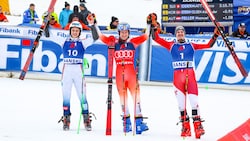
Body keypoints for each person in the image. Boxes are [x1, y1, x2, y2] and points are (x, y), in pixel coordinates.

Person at [151, 19, 220, 138]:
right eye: (178, 32)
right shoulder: (171, 45)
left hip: (190, 77)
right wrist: (154, 27)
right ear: (175, 35)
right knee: (181, 106)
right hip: (178, 78)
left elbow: (208, 45)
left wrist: (216, 35)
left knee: (194, 102)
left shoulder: (191, 45)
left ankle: (198, 127)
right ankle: (185, 127)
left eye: (182, 32)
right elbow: (156, 38)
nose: (180, 34)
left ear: (185, 34)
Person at [92, 13, 151, 134]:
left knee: (136, 97)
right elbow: (101, 37)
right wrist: (95, 24)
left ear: (128, 33)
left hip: (131, 73)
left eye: (126, 32)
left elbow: (146, 36)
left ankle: (139, 123)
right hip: (119, 74)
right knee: (123, 98)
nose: (124, 34)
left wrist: (149, 24)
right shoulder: (113, 43)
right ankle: (127, 123)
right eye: (122, 32)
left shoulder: (133, 42)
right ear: (118, 33)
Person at [57, 17, 99, 131]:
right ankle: (66, 118)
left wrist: (92, 24)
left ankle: (86, 118)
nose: (75, 32)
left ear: (79, 32)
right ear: (70, 30)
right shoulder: (64, 40)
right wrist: (45, 22)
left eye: (77, 30)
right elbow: (47, 34)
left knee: (82, 96)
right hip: (67, 72)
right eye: (73, 30)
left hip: (78, 71)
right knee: (66, 95)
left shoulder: (83, 41)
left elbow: (96, 37)